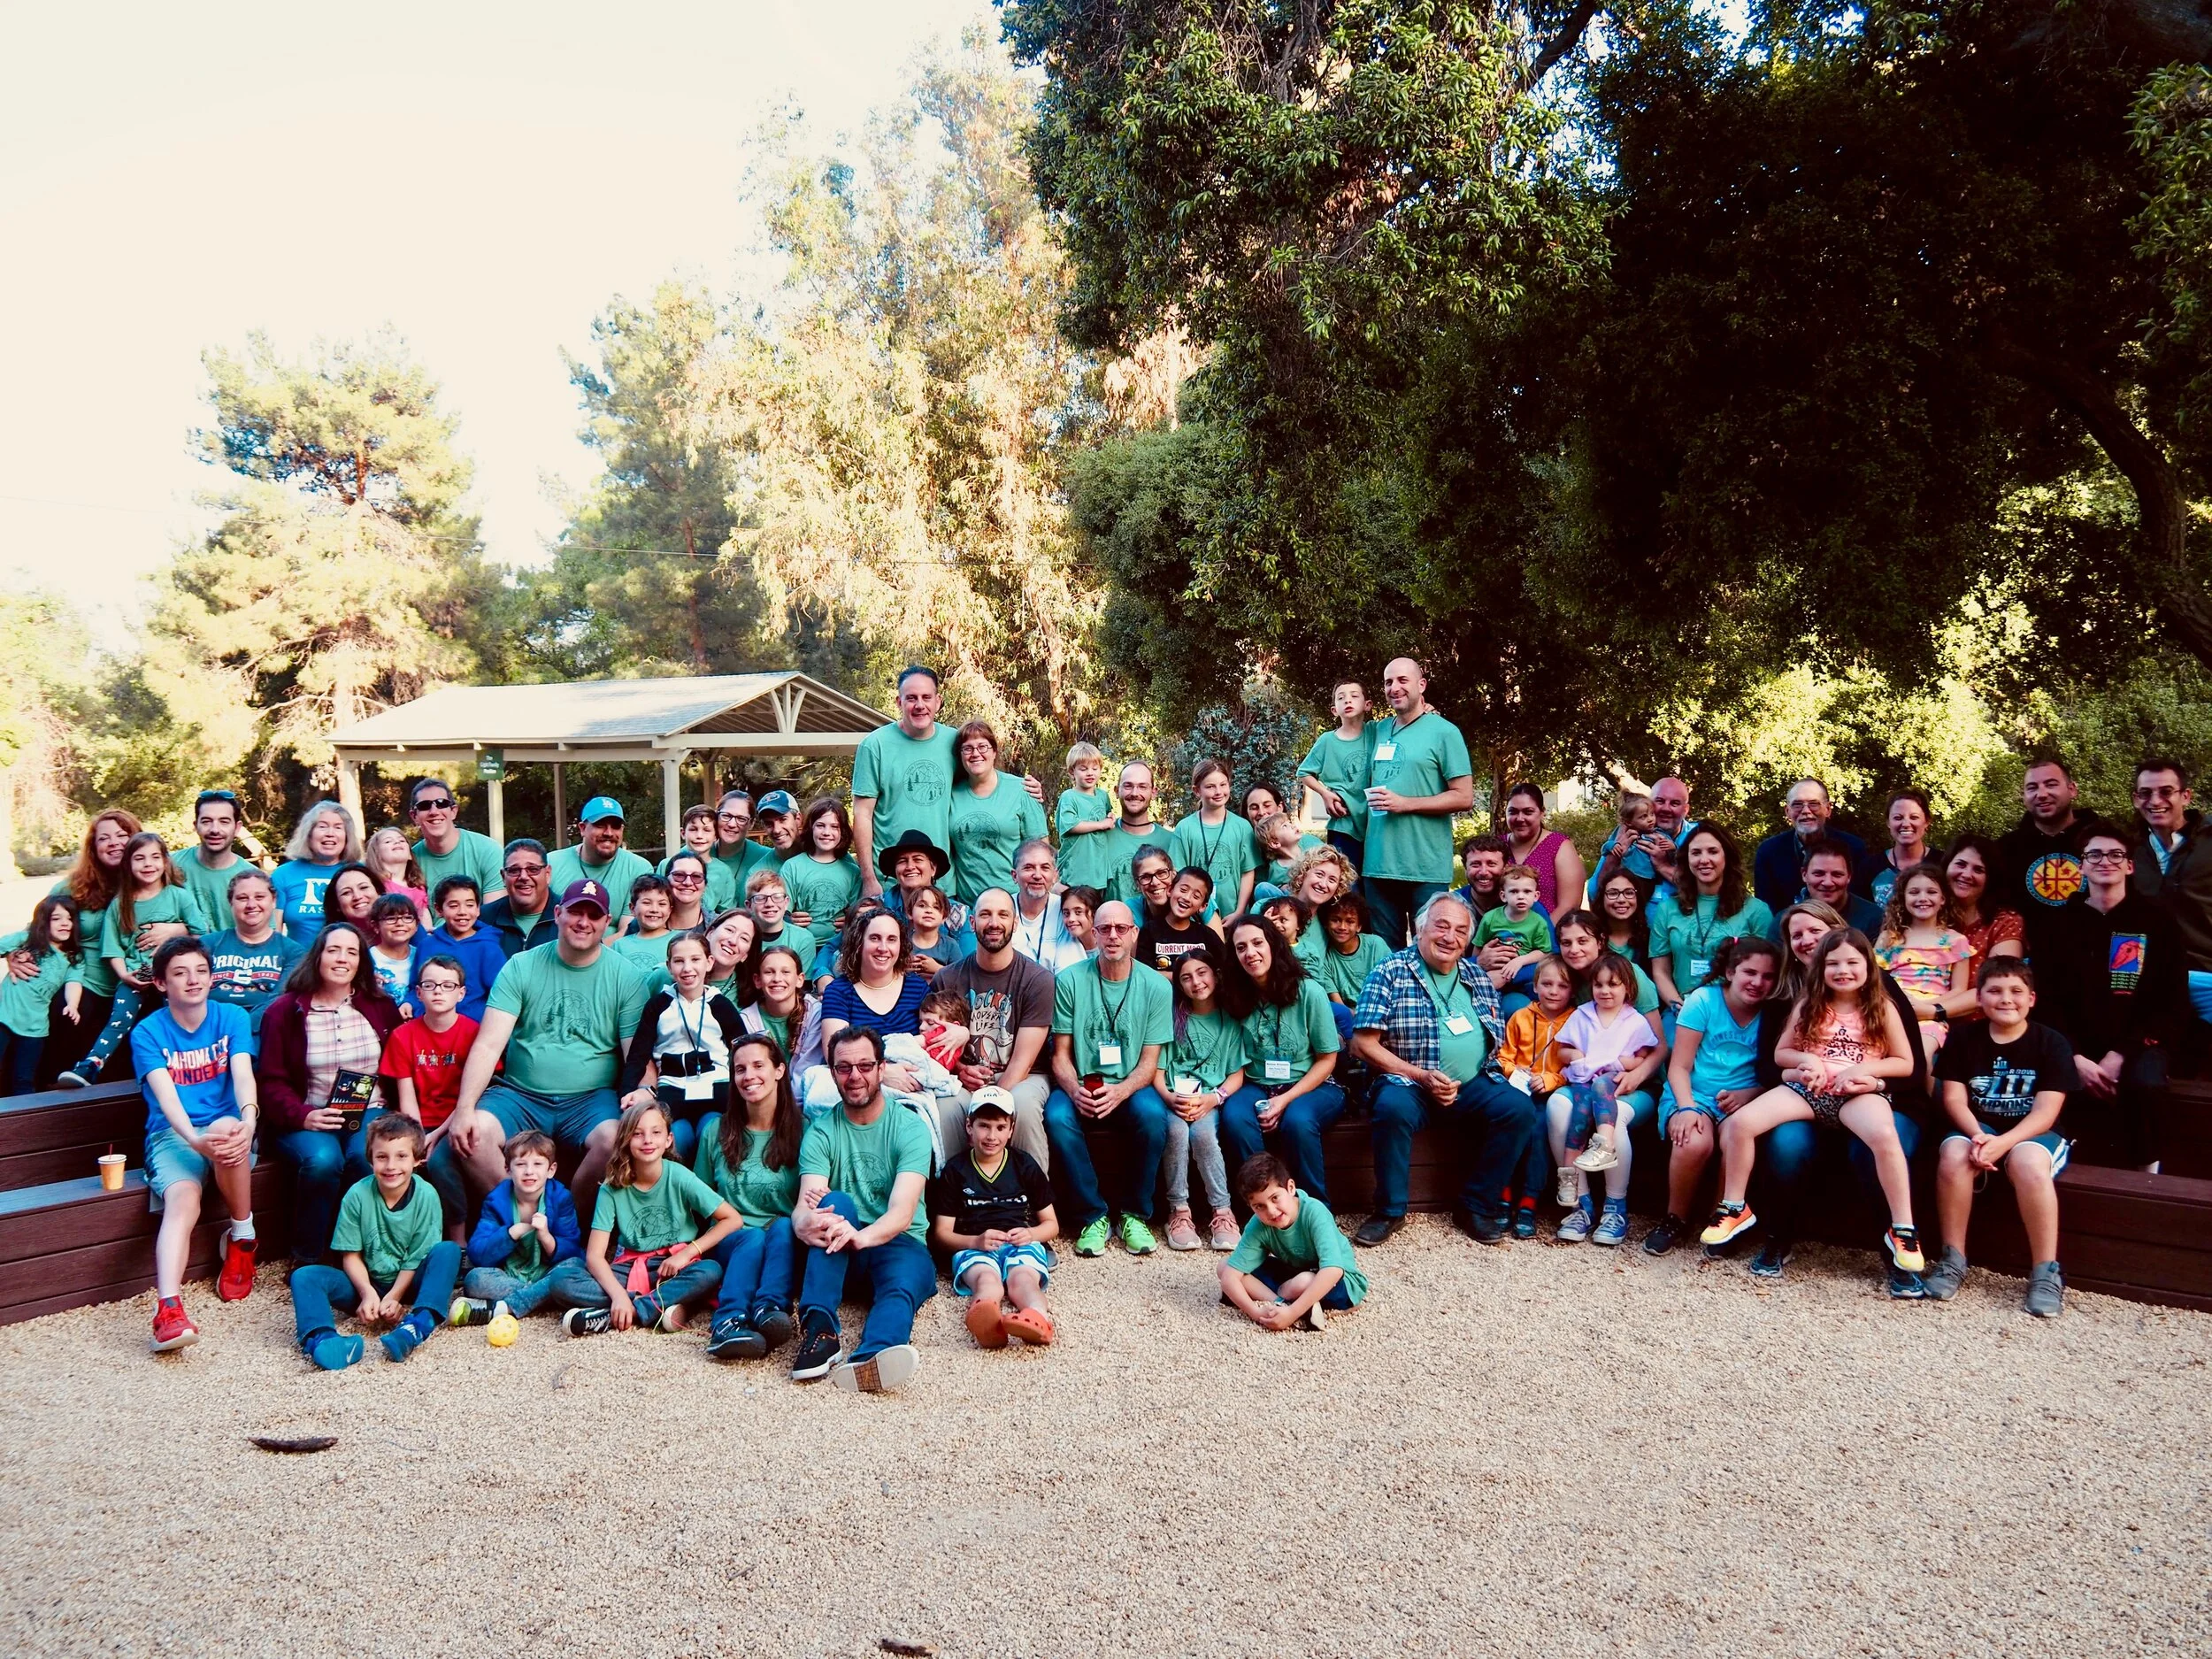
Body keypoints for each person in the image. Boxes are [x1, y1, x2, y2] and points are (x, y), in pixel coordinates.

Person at [1701, 927, 1926, 1277]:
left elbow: (1905, 1062)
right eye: (1833, 963)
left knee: (1884, 1136)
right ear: (1819, 968)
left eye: (1852, 962)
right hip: (1809, 1092)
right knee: (1740, 1123)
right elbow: (1782, 1053)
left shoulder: (1882, 1006)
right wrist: (1807, 1062)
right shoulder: (1809, 1004)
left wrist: (1867, 1071)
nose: (1843, 970)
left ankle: (1903, 1228)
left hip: (1858, 1094)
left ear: (1869, 966)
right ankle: (1734, 1206)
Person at [444, 879, 653, 1225]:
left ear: (607, 922)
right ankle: (522, 1223)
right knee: (474, 1134)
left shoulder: (626, 977)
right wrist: (465, 1108)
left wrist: (645, 1093)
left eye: (594, 915)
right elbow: (488, 1043)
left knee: (615, 1139)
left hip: (589, 1100)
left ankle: (566, 1224)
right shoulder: (521, 966)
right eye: (575, 912)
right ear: (557, 914)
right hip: (520, 1094)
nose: (583, 922)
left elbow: (637, 1057)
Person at [1348, 893, 1538, 1246]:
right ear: (1421, 929)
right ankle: (1390, 1210)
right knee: (1391, 1108)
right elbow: (1361, 1044)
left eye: (1461, 931)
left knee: (1519, 1109)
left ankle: (1476, 1205)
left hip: (1473, 1084)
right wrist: (1420, 1075)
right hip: (1410, 1083)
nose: (1450, 937)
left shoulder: (1476, 976)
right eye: (1442, 926)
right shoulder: (1389, 971)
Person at [788, 1027, 938, 1392]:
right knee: (834, 1204)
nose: (855, 1076)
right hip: (840, 1250)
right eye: (844, 1068)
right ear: (833, 1073)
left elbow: (902, 1212)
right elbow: (807, 1202)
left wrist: (861, 1237)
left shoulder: (910, 1128)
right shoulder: (822, 1132)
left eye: (865, 1066)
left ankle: (873, 1357)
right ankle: (820, 1331)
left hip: (897, 1241)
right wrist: (802, 1221)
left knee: (902, 1287)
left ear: (881, 1068)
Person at [1923, 960, 2074, 1317]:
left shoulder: (2051, 1042)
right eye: (1994, 990)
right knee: (1955, 1155)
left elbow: (2046, 1113)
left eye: (2016, 991)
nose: (2006, 999)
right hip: (1979, 1126)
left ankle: (2046, 1272)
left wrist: (2003, 1143)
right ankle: (1952, 1259)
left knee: (2028, 1163)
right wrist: (1977, 1135)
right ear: (1979, 998)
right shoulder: (1963, 1039)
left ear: (2031, 999)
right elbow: (1954, 1100)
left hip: (2035, 1131)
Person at [132, 936, 260, 1351]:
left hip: (225, 1128)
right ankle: (168, 1309)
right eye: (180, 973)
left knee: (229, 1131)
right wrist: (194, 1139)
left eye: (201, 971)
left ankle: (242, 1238)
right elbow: (166, 1099)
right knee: (183, 1200)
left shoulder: (232, 1016)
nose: (193, 980)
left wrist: (249, 1120)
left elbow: (243, 1075)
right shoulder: (148, 1032)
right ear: (161, 983)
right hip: (173, 1134)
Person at [2037, 824, 2185, 1169]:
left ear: (2130, 866)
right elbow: (2044, 999)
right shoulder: (2056, 925)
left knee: (2146, 1085)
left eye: (2116, 855)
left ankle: (2148, 1175)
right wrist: (2074, 1057)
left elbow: (2172, 1001)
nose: (2105, 861)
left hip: (2138, 1043)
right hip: (2071, 1044)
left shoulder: (2158, 922)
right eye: (2095, 855)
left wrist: (2121, 1053)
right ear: (2082, 866)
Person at [255, 922, 404, 1261]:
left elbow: (400, 1061)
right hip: (308, 1114)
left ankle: (363, 1254)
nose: (342, 959)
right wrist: (303, 1116)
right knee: (323, 1162)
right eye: (333, 950)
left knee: (366, 1158)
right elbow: (271, 1081)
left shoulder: (380, 1005)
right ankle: (309, 1257)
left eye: (352, 952)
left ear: (361, 962)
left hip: (371, 1110)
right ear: (317, 957)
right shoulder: (285, 1011)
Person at [544, 1096, 739, 1336]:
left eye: (656, 1132)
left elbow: (732, 1219)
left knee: (710, 1271)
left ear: (668, 1140)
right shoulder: (611, 1188)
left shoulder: (680, 1176)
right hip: (629, 1268)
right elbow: (595, 1256)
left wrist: (687, 1253)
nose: (648, 1140)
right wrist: (618, 1296)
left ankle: (622, 1313)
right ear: (625, 1140)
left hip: (674, 1266)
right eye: (637, 1134)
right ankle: (649, 1305)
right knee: (562, 1280)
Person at [1045, 898, 1173, 1257]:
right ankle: (1092, 1215)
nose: (1113, 935)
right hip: (1084, 1080)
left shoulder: (1156, 986)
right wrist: (1074, 1089)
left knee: (1153, 1116)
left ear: (1134, 933)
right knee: (1056, 1116)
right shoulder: (1070, 980)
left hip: (1132, 1084)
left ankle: (1135, 1214)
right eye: (1104, 929)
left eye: (1121, 928)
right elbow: (1060, 1055)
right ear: (1094, 933)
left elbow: (1149, 1063)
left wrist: (1121, 1091)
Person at [288, 1113, 463, 1368]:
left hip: (412, 1282)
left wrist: (394, 1296)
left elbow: (416, 1257)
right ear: (370, 1160)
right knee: (305, 1276)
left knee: (448, 1251)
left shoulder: (426, 1195)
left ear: (417, 1159)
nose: (391, 1166)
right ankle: (322, 1340)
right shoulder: (357, 1195)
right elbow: (351, 1255)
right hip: (366, 1282)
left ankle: (417, 1326)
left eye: (401, 1156)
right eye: (382, 1157)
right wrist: (367, 1293)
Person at [1648, 938, 1783, 1256]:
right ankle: (1675, 1218)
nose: (1758, 982)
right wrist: (1686, 1108)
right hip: (1694, 1093)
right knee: (1693, 1142)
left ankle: (1722, 1218)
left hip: (1748, 1097)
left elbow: (1776, 1073)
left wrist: (1751, 1093)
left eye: (1768, 976)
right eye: (1750, 972)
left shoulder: (1775, 1012)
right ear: (1730, 972)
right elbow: (1679, 1067)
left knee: (1737, 1138)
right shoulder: (1703, 1001)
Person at [61, 832, 211, 1087]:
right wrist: (124, 975)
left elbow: (201, 934)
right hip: (136, 973)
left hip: (172, 974)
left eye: (155, 857)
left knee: (180, 1016)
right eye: (139, 858)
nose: (148, 864)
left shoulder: (178, 896)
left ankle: (190, 1065)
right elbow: (113, 949)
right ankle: (91, 1065)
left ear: (165, 861)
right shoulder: (120, 904)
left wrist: (178, 941)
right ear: (128, 864)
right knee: (119, 1019)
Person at [1218, 912, 1345, 1208]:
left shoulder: (1309, 992)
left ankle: (1314, 1209)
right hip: (1256, 1083)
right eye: (1240, 947)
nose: (1250, 953)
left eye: (1257, 943)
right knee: (1236, 1118)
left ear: (1273, 945)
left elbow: (1327, 1059)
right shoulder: (1235, 995)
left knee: (1298, 1121)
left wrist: (1284, 1100)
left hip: (1313, 1082)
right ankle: (1263, 1206)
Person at [695, 1033, 808, 1361]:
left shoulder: (804, 1130)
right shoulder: (716, 1131)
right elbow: (700, 1201)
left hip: (782, 1250)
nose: (748, 1076)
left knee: (783, 1225)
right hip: (731, 1242)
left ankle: (770, 1309)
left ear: (779, 1070)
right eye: (740, 1069)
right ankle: (727, 1322)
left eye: (758, 1066)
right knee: (751, 1238)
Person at [930, 888, 1056, 1170]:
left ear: (1015, 923)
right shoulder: (947, 978)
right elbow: (936, 1045)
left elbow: (1023, 1063)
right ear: (972, 922)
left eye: (1003, 915)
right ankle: (953, 1192)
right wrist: (960, 1069)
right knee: (945, 1108)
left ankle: (1035, 1195)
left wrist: (987, 1104)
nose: (994, 923)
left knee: (1022, 1105)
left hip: (1024, 1077)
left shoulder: (1037, 980)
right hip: (964, 1078)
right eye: (986, 914)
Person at [930, 1083, 1060, 1348]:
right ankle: (986, 1318)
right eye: (984, 1126)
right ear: (969, 1126)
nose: (992, 1136)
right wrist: (975, 1241)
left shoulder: (1024, 1165)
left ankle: (1037, 1318)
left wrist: (1031, 1234)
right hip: (974, 1244)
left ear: (1011, 1130)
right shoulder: (956, 1171)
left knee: (1023, 1280)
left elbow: (1052, 1224)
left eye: (1001, 1127)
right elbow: (941, 1234)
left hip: (1019, 1243)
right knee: (985, 1279)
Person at [1361, 658, 1475, 947]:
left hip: (1425, 866)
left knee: (1432, 949)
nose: (1394, 688)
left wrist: (1405, 804)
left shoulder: (1445, 732)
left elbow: (1464, 796)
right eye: (1388, 682)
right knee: (1386, 953)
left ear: (1421, 685)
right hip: (1378, 864)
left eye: (1403, 680)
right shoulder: (1378, 730)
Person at [1549, 955, 1662, 1246]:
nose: (1605, 991)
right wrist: (1577, 1056)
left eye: (1613, 985)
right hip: (1582, 1083)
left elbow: (1645, 1055)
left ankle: (1615, 1207)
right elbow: (1563, 1050)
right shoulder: (1583, 1014)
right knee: (1562, 1108)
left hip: (1620, 1088)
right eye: (1598, 985)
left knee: (1613, 1110)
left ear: (1628, 988)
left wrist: (1623, 1064)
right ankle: (1579, 1202)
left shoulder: (1634, 1020)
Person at [618, 931, 746, 1166]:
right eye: (679, 961)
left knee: (711, 1131)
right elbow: (638, 1054)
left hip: (715, 1088)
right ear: (669, 967)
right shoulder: (658, 1005)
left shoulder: (720, 1005)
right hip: (672, 1090)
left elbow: (743, 1049)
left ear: (709, 962)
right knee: (676, 1136)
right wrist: (627, 1093)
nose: (688, 968)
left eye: (695, 959)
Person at [32, 810, 138, 1086]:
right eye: (104, 838)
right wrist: (17, 954)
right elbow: (38, 928)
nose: (114, 843)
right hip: (84, 979)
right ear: (93, 847)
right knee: (67, 1014)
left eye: (122, 835)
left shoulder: (153, 882)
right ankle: (52, 1096)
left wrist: (175, 929)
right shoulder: (72, 887)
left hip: (136, 981)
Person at [377, 952, 478, 1236]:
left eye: (447, 985)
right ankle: (400, 1235)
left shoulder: (473, 1033)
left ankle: (458, 1240)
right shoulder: (403, 1035)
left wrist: (438, 1134)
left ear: (461, 993)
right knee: (398, 1156)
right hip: (417, 1121)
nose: (438, 992)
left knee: (440, 1161)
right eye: (430, 985)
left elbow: (473, 1095)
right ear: (418, 993)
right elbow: (406, 1095)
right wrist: (417, 1137)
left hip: (457, 1119)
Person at [1157, 946, 1248, 1252]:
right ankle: (1179, 1211)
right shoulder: (1172, 1019)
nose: (1196, 982)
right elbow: (1156, 1070)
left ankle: (1222, 1211)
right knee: (1176, 1132)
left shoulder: (1229, 1020)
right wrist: (1169, 1098)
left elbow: (1236, 1074)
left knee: (1204, 1134)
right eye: (1186, 978)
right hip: (1174, 1097)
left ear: (1216, 975)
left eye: (1202, 973)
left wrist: (1214, 1099)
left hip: (1208, 1099)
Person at [1218, 1153, 1366, 1331]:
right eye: (1259, 1206)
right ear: (1251, 1207)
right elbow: (1229, 1277)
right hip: (1293, 1273)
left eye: (1275, 1198)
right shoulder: (1258, 1224)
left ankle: (1293, 1305)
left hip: (1339, 1282)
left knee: (1303, 1281)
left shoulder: (1314, 1212)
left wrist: (1292, 1314)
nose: (1271, 1211)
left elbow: (1333, 1270)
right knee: (1224, 1266)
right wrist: (1257, 1314)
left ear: (1290, 1188)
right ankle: (1280, 1303)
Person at [451, 1129, 582, 1324]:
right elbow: (478, 1253)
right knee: (475, 1279)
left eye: (538, 1164)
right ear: (508, 1169)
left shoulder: (561, 1198)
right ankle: (543, 1298)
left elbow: (572, 1247)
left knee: (576, 1266)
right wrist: (512, 1233)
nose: (529, 1171)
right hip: (509, 1276)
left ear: (551, 1170)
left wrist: (546, 1237)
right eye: (521, 1164)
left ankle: (504, 1307)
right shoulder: (496, 1201)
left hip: (548, 1272)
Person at [853, 666, 960, 902]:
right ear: (899, 702)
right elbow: (862, 814)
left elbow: (982, 780)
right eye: (911, 698)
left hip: (942, 881)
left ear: (938, 701)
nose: (919, 705)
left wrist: (1024, 787)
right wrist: (869, 878)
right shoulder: (875, 745)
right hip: (890, 883)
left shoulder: (954, 741)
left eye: (926, 697)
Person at [2128, 757, 2212, 1041]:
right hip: (2151, 979)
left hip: (2205, 975)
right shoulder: (2128, 850)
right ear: (2136, 799)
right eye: (2145, 793)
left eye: (2166, 791)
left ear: (2185, 796)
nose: (2155, 801)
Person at [1650, 825, 1772, 1014]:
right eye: (1696, 853)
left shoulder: (1756, 910)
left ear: (1727, 856)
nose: (1704, 860)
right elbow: (1660, 971)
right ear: (1686, 859)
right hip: (1681, 1012)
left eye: (1713, 851)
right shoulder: (1667, 909)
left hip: (1737, 1015)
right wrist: (1679, 1007)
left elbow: (1767, 973)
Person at [1993, 756, 2093, 960]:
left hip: (2094, 959)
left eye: (2051, 784)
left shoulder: (2101, 842)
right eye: (2032, 788)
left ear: (2072, 789)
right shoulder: (2004, 849)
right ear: (2024, 796)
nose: (2042, 794)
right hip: (2026, 965)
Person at [1873, 863, 1976, 1059]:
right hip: (1890, 1011)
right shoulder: (1889, 938)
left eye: (1931, 892)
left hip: (1929, 1017)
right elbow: (1874, 979)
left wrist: (1926, 1007)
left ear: (1943, 899)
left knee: (1922, 1055)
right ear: (1903, 898)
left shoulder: (1956, 941)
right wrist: (1898, 1004)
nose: (1922, 898)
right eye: (1914, 892)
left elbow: (1958, 990)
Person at [947, 719, 1048, 907]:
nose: (975, 753)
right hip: (968, 906)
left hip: (1015, 904)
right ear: (960, 755)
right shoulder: (951, 795)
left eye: (982, 747)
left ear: (994, 751)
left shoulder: (1023, 790)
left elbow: (1041, 851)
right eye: (967, 748)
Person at [204, 868, 305, 1035]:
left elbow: (277, 1001)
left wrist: (237, 1031)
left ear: (274, 901)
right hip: (209, 1031)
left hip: (263, 1033)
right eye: (242, 898)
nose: (251, 905)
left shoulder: (294, 952)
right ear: (231, 902)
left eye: (259, 897)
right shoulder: (206, 945)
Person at [1, 896, 81, 1094]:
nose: (65, 923)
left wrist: (72, 1004)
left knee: (24, 1078)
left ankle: (25, 1113)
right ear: (43, 922)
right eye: (56, 918)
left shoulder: (73, 957)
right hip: (4, 1017)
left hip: (35, 1028)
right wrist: (10, 954)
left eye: (69, 918)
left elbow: (74, 982)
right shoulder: (27, 940)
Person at [1751, 779, 1869, 913]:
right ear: (1788, 811)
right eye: (1797, 805)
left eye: (1814, 804)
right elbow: (1766, 908)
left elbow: (1860, 902)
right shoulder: (1769, 852)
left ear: (1828, 809)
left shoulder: (1853, 848)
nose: (1806, 811)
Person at [1297, 678, 1377, 868]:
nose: (1347, 700)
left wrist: (1426, 710)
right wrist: (1325, 794)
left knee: (1371, 879)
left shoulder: (1377, 731)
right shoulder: (1327, 740)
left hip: (1374, 823)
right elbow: (1304, 773)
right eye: (1341, 698)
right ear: (1334, 710)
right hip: (1343, 823)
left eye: (1354, 696)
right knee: (1345, 879)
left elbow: (1403, 723)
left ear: (1368, 705)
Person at [1172, 758, 1260, 921]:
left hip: (1233, 915)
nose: (1218, 791)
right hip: (1194, 918)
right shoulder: (1185, 828)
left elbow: (1247, 872)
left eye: (1223, 784)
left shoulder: (1242, 827)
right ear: (1197, 790)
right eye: (1210, 786)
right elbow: (1178, 875)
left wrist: (1239, 911)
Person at [1940, 834, 2026, 995]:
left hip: (1980, 1011)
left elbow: (1998, 986)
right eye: (1961, 864)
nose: (1967, 874)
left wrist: (1935, 1008)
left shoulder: (2005, 922)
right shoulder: (1925, 915)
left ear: (1989, 880)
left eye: (1978, 870)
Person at [547, 797, 653, 924]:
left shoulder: (638, 868)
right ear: (582, 828)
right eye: (600, 825)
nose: (609, 833)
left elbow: (628, 930)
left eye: (616, 826)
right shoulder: (552, 864)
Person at [418, 875, 505, 1024]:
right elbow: (416, 985)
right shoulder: (427, 945)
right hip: (430, 1024)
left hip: (473, 1026)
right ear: (439, 909)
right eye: (453, 906)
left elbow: (500, 994)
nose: (462, 912)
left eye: (470, 905)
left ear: (478, 909)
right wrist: (409, 1003)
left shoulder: (488, 947)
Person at [782, 797, 864, 955]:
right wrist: (789, 920)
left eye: (834, 827)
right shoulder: (792, 867)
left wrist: (850, 920)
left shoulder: (852, 871)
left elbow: (857, 914)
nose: (827, 832)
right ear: (811, 828)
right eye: (820, 825)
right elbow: (782, 911)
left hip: (840, 948)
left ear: (843, 832)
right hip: (802, 946)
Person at [405, 777, 505, 904]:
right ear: (414, 816)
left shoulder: (488, 850)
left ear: (453, 811)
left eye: (441, 803)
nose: (434, 812)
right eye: (424, 806)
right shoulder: (409, 862)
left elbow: (494, 911)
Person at [271, 802, 362, 936]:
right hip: (297, 951)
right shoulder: (283, 874)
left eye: (338, 827)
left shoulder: (361, 873)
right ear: (309, 834)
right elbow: (273, 931)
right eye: (322, 827)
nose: (330, 833)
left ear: (347, 836)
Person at [1501, 783, 1587, 920]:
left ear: (1542, 813)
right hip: (1501, 929)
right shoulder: (1498, 846)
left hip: (1550, 929)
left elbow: (1569, 905)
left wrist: (1540, 931)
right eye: (1513, 812)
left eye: (1528, 812)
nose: (1520, 818)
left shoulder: (1559, 845)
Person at [1100, 762, 1179, 910]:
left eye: (1142, 786)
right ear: (1117, 791)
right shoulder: (1100, 838)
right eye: (1128, 786)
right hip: (1113, 924)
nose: (1135, 793)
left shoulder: (1172, 841)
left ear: (1154, 792)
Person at [1471, 863, 1555, 1002]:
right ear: (1503, 896)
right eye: (1514, 891)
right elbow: (1478, 947)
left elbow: (1544, 952)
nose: (1521, 897)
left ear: (1536, 896)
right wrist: (1477, 968)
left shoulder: (1539, 922)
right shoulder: (1490, 918)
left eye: (1527, 892)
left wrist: (1520, 961)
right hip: (1492, 974)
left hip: (1522, 977)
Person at [172, 788, 250, 927]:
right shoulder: (169, 865)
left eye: (224, 822)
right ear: (196, 826)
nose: (215, 830)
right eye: (206, 821)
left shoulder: (252, 878)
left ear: (237, 828)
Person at [1008, 839, 1087, 972]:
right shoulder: (1002, 910)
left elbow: (1072, 970)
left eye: (1045, 868)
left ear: (1055, 875)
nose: (1037, 875)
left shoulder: (1065, 910)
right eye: (1028, 867)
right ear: (1014, 875)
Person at [1310, 892, 1391, 1012]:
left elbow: (1391, 986)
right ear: (1326, 923)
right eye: (1335, 920)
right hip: (1349, 1015)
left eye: (1350, 921)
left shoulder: (1375, 945)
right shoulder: (1325, 955)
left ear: (1359, 926)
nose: (1342, 927)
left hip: (1381, 1009)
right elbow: (1339, 1004)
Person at [1055, 741, 1117, 893]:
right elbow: (1071, 825)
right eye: (1083, 769)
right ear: (1072, 772)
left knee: (1096, 905)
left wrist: (1110, 818)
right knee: (1076, 904)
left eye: (1095, 768)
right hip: (1076, 869)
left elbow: (1107, 817)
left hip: (1098, 870)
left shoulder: (1103, 796)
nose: (1090, 773)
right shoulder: (1069, 797)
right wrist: (1102, 824)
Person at [1792, 836, 1884, 935]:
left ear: (1849, 876)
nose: (1828, 883)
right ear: (1804, 874)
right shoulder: (1788, 921)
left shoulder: (1874, 919)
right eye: (1819, 874)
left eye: (1837, 874)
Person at [480, 839, 555, 956]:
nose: (523, 877)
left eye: (533, 869)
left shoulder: (568, 916)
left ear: (547, 874)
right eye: (514, 870)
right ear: (503, 877)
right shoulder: (483, 920)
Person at [1138, 865, 1218, 975]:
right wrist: (1179, 977)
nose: (1187, 898)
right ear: (1170, 890)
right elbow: (1144, 973)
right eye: (1183, 890)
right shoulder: (1149, 931)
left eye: (1196, 896)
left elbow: (1221, 971)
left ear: (1203, 906)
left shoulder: (1207, 936)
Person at [663, 804, 741, 913]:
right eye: (693, 829)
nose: (699, 835)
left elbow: (725, 911)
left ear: (715, 836)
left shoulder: (723, 871)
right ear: (683, 833)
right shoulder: (666, 865)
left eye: (706, 830)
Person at [1864, 789, 1935, 907]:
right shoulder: (1869, 867)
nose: (1906, 824)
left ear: (1927, 821)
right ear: (1888, 822)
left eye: (1914, 817)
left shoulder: (1943, 864)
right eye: (1898, 818)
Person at [745, 869, 818, 980]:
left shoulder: (803, 939)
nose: (769, 904)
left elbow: (803, 984)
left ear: (786, 902)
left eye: (777, 897)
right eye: (760, 898)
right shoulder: (743, 938)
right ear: (749, 905)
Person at [744, 943, 812, 1059]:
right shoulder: (747, 1019)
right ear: (757, 980)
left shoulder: (814, 1013)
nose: (777, 979)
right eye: (769, 972)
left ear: (800, 980)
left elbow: (810, 1062)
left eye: (785, 972)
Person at [710, 788, 781, 901]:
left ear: (751, 824)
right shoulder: (696, 853)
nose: (732, 824)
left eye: (741, 819)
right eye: (726, 816)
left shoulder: (766, 857)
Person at [365, 893, 423, 1015]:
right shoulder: (367, 958)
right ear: (375, 926)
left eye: (407, 918)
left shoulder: (422, 955)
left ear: (417, 925)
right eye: (391, 918)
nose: (400, 923)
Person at [902, 885, 971, 979]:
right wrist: (902, 969)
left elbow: (961, 978)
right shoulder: (902, 943)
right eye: (922, 905)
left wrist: (938, 969)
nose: (929, 910)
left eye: (936, 907)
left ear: (944, 917)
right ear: (909, 913)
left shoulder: (950, 945)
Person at [365, 826, 431, 924]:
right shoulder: (375, 885)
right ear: (376, 854)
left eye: (402, 841)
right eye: (388, 841)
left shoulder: (418, 888)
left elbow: (424, 917)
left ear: (410, 855)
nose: (397, 842)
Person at [1596, 868, 1655, 970]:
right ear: (1602, 898)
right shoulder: (1592, 939)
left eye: (1629, 893)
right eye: (1613, 893)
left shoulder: (1651, 940)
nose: (1621, 900)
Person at [662, 850, 713, 937]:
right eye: (679, 875)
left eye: (696, 876)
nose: (688, 883)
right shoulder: (644, 923)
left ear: (705, 885)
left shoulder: (718, 926)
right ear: (666, 880)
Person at [1126, 845, 1179, 930]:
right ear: (1137, 884)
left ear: (1173, 875)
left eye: (1161, 873)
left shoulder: (1190, 902)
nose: (1155, 882)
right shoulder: (1132, 910)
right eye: (1145, 877)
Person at [321, 861, 385, 930]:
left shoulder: (393, 932)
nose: (357, 896)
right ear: (337, 905)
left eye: (363, 887)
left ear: (378, 892)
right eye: (346, 892)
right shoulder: (332, 936)